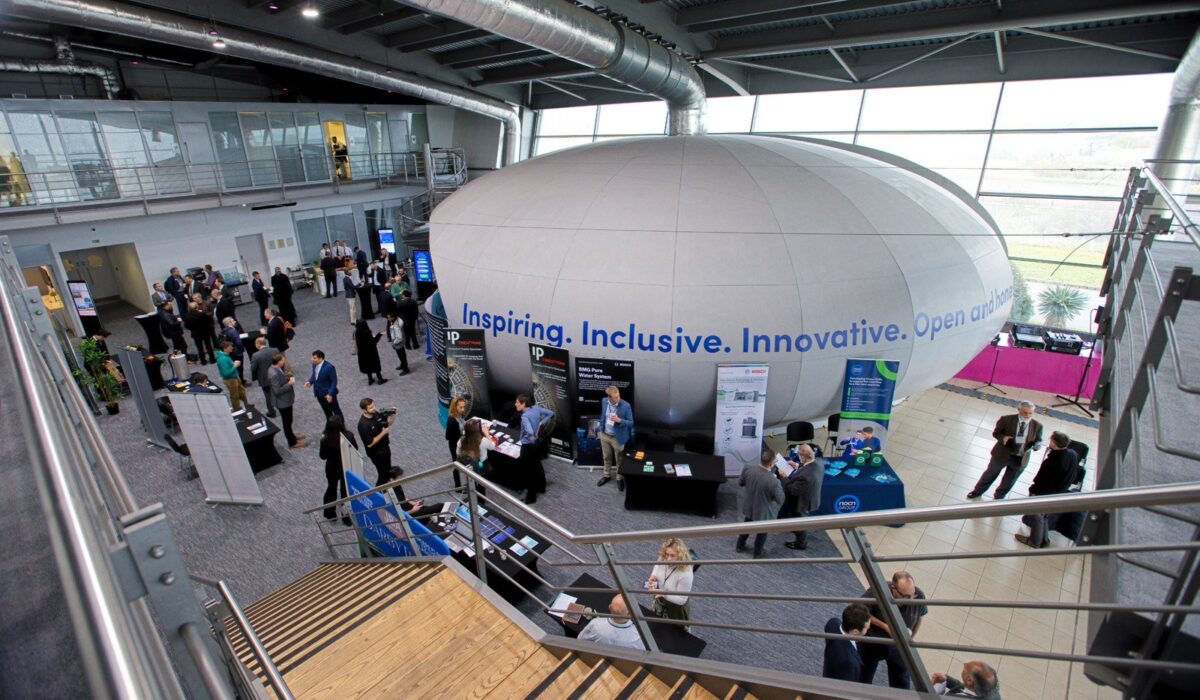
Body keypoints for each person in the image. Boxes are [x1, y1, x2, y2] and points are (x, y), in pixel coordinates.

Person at [861, 571, 928, 689]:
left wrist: (910, 640)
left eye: (913, 595)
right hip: (874, 643)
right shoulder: (877, 591)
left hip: (899, 648)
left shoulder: (919, 596)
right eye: (905, 596)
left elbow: (919, 619)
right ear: (893, 588)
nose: (911, 599)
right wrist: (885, 626)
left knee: (901, 682)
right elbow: (861, 611)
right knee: (864, 676)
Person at [968, 401, 1044, 500]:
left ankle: (999, 497)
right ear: (1019, 410)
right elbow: (996, 433)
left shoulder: (1037, 426)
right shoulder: (1006, 419)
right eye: (1025, 412)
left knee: (1010, 480)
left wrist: (1037, 445)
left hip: (1020, 458)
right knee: (990, 474)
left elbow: (1038, 440)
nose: (1028, 415)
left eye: (1030, 413)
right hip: (1002, 454)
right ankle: (977, 491)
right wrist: (1003, 438)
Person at [1018, 431, 1080, 549]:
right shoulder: (1072, 454)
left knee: (1036, 516)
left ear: (1054, 443)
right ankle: (1044, 540)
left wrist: (1033, 491)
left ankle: (1035, 541)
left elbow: (1043, 480)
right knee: (1044, 516)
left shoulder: (1053, 461)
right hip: (1060, 492)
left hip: (1044, 493)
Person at [736, 449, 785, 558]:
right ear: (771, 464)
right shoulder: (774, 482)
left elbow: (740, 483)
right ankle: (757, 553)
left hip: (749, 507)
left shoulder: (747, 468)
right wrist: (781, 479)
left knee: (746, 527)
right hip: (763, 513)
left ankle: (739, 546)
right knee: (762, 533)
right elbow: (780, 499)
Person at [779, 443, 824, 550]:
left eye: (799, 456)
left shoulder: (805, 476)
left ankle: (800, 543)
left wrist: (784, 477)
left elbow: (793, 490)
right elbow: (807, 468)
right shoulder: (818, 462)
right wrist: (797, 466)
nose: (798, 457)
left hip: (801, 502)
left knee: (800, 523)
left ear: (803, 457)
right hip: (810, 497)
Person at [514, 393, 553, 503]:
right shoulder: (536, 408)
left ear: (523, 404)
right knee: (537, 465)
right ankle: (541, 487)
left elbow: (530, 431)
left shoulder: (525, 416)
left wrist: (528, 434)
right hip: (537, 444)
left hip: (528, 446)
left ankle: (531, 497)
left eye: (517, 402)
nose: (515, 404)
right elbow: (551, 413)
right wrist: (541, 423)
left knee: (529, 471)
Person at [646, 537, 693, 627]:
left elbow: (681, 600)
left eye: (672, 555)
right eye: (667, 554)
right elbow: (657, 566)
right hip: (660, 598)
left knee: (674, 633)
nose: (668, 559)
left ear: (680, 556)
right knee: (656, 625)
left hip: (675, 608)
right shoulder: (663, 557)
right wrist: (653, 575)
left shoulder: (686, 573)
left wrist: (663, 593)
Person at [318, 415, 357, 522]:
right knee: (345, 493)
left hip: (332, 468)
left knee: (331, 489)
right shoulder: (349, 436)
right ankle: (346, 518)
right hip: (346, 466)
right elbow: (355, 449)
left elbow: (322, 456)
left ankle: (329, 513)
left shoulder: (325, 439)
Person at [357, 398, 401, 489]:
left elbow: (387, 424)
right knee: (383, 475)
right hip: (376, 454)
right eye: (371, 407)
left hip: (385, 447)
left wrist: (392, 415)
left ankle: (388, 489)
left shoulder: (375, 414)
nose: (374, 408)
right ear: (364, 410)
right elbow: (369, 443)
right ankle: (377, 492)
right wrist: (383, 433)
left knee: (388, 471)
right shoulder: (363, 425)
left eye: (374, 406)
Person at [596, 385, 634, 491]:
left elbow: (631, 423)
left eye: (618, 396)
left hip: (617, 438)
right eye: (615, 397)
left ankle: (619, 477)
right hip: (604, 434)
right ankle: (606, 475)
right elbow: (603, 414)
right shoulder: (604, 401)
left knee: (619, 459)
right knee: (606, 457)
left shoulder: (626, 405)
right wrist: (600, 428)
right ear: (609, 398)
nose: (618, 399)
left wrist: (619, 420)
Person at [823, 603, 870, 683]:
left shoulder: (833, 623)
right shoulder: (850, 661)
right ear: (855, 631)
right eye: (866, 627)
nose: (869, 627)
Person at [577, 594, 644, 650]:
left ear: (609, 607)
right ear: (630, 614)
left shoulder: (596, 624)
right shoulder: (638, 636)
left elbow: (580, 639)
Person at [267, 353, 305, 449]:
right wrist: (289, 383)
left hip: (285, 400)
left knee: (289, 421)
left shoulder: (274, 368)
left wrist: (286, 378)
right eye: (283, 360)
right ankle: (292, 443)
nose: (284, 361)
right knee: (287, 423)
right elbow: (277, 391)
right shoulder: (274, 373)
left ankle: (292, 436)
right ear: (279, 361)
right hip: (283, 402)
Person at [932, 660, 1000, 699]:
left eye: (965, 668)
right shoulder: (990, 689)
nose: (964, 663)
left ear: (969, 680)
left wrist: (928, 691)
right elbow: (964, 688)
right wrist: (947, 680)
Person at [305, 350, 342, 418]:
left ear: (321, 358)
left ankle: (341, 426)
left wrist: (330, 394)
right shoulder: (314, 364)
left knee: (336, 411)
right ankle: (330, 425)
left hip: (328, 394)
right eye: (312, 357)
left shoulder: (329, 367)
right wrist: (310, 381)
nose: (312, 359)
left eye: (314, 358)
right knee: (327, 412)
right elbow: (315, 375)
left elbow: (334, 382)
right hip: (318, 393)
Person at [249, 337, 280, 417]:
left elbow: (253, 369)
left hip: (264, 379)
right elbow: (280, 363)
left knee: (268, 395)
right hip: (276, 376)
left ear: (258, 344)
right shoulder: (275, 350)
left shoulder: (256, 355)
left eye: (255, 343)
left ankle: (272, 412)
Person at [215, 340, 247, 411]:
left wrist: (233, 363)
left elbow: (228, 367)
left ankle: (247, 405)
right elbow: (226, 373)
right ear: (225, 348)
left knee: (242, 391)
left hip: (235, 377)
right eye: (230, 347)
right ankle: (237, 409)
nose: (232, 348)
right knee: (234, 396)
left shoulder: (225, 356)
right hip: (230, 379)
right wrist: (235, 366)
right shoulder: (223, 359)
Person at [353, 319, 387, 385]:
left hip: (363, 353)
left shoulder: (357, 332)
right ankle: (380, 379)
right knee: (376, 366)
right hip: (371, 352)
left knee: (367, 366)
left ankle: (370, 379)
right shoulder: (367, 332)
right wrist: (379, 334)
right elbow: (373, 341)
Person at [446, 396, 467, 486]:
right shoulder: (452, 420)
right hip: (455, 445)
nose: (463, 409)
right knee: (457, 464)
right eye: (461, 407)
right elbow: (448, 436)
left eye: (464, 407)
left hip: (461, 443)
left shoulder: (459, 415)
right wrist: (462, 436)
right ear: (455, 407)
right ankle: (458, 485)